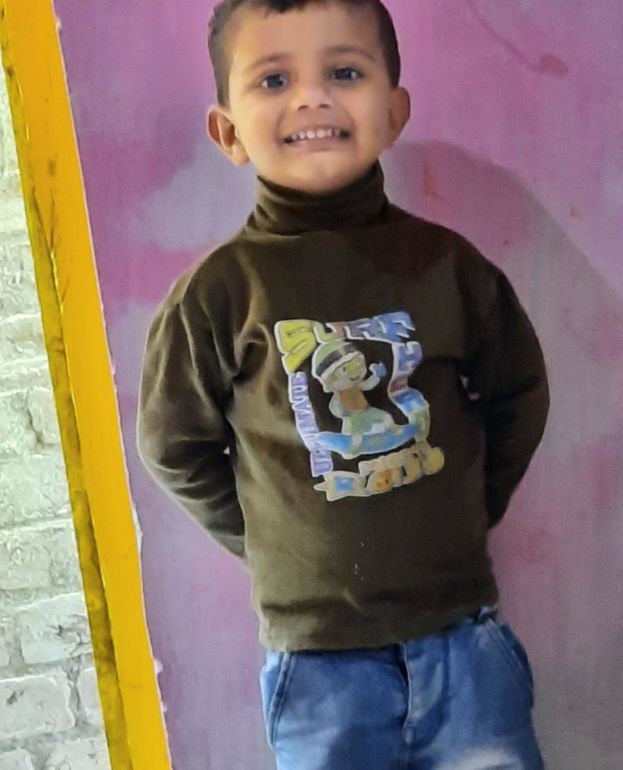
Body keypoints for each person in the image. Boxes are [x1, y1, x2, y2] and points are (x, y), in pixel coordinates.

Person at [137, 1, 550, 767]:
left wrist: (472, 506)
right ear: (228, 132)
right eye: (273, 80)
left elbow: (520, 392)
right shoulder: (221, 295)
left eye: (345, 72)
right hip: (319, 667)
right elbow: (173, 445)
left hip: (463, 642)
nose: (312, 97)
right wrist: (268, 537)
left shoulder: (449, 268)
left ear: (393, 113)